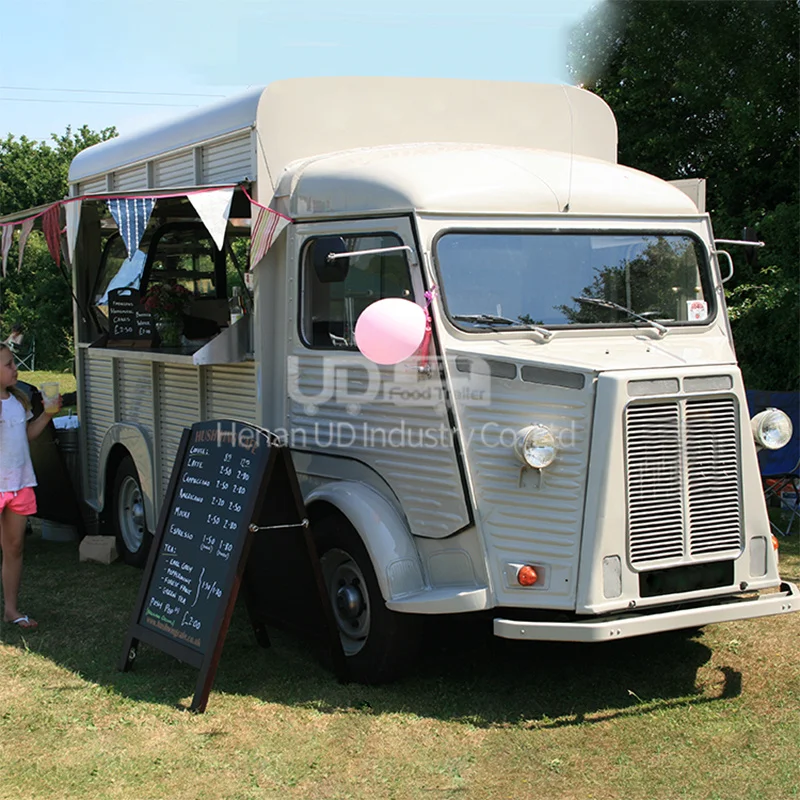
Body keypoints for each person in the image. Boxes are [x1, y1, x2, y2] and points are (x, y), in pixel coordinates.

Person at [0, 343, 61, 629]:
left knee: (14, 547)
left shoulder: (18, 401)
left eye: (13, 362)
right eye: (9, 364)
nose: (15, 369)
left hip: (20, 483)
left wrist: (47, 414)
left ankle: (11, 610)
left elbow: (27, 435)